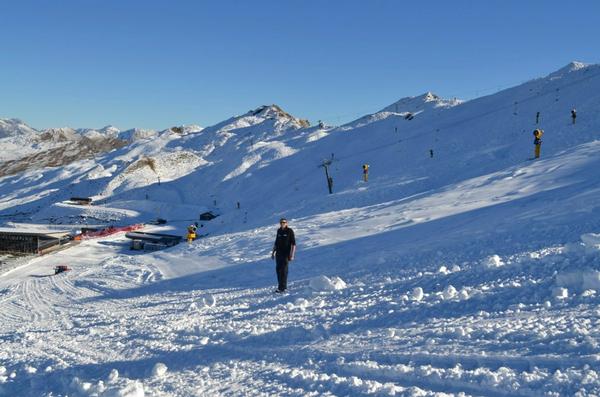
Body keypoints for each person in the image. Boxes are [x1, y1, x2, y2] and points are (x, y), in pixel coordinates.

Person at [271, 218, 296, 293]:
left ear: (286, 223)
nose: (282, 223)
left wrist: (292, 255)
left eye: (284, 222)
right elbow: (276, 242)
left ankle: (283, 287)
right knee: (278, 270)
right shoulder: (279, 231)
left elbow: (293, 244)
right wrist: (273, 253)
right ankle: (280, 286)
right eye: (281, 222)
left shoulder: (289, 231)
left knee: (284, 270)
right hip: (278, 253)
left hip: (286, 254)